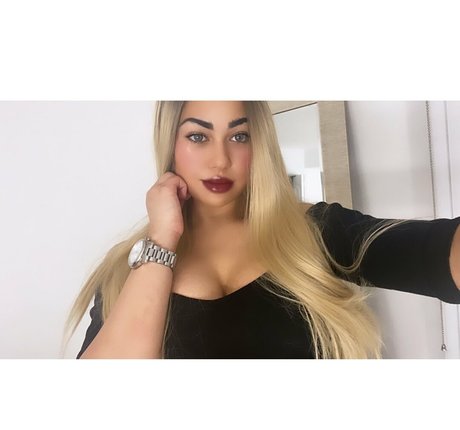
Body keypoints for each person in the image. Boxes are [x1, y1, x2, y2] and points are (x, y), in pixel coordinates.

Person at [65, 101, 460, 359]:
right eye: (198, 136)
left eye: (239, 136)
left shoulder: (313, 232)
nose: (220, 159)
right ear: (170, 144)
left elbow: (434, 255)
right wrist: (162, 239)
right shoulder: (128, 272)